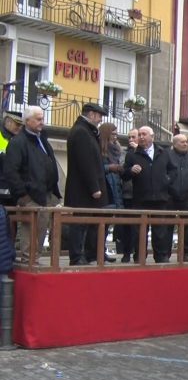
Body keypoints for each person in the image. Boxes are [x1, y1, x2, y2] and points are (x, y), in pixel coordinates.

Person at [4, 106, 62, 265]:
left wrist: (55, 193)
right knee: (31, 229)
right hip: (30, 195)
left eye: (42, 118)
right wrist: (22, 195)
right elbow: (11, 171)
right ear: (27, 120)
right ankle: (28, 260)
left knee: (43, 228)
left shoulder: (41, 139)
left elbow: (49, 163)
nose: (41, 122)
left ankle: (35, 259)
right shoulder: (18, 142)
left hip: (46, 193)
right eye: (38, 119)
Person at [65, 103, 109, 266]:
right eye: (99, 116)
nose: (100, 120)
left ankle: (90, 254)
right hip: (83, 190)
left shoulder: (87, 131)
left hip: (88, 189)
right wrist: (94, 187)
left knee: (90, 223)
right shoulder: (81, 132)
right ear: (91, 114)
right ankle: (76, 256)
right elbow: (86, 163)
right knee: (79, 223)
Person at [124, 126, 174, 263]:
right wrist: (130, 170)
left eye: (144, 134)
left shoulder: (163, 153)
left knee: (160, 231)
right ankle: (139, 257)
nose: (141, 137)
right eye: (139, 134)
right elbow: (123, 175)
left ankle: (161, 257)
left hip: (160, 198)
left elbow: (172, 171)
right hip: (141, 198)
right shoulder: (132, 154)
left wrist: (167, 181)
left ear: (152, 137)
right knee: (140, 231)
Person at [167, 134, 188, 262]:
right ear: (175, 144)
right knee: (167, 226)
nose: (185, 144)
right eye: (182, 142)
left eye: (186, 142)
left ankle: (186, 253)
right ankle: (165, 253)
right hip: (171, 197)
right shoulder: (167, 156)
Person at [100, 123, 124, 262]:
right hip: (106, 186)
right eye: (113, 133)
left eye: (116, 134)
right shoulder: (101, 149)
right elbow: (97, 168)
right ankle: (97, 251)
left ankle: (102, 251)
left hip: (116, 185)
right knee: (101, 222)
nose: (115, 136)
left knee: (108, 222)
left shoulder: (117, 149)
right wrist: (111, 167)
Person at [116, 128, 138, 263]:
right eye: (129, 137)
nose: (130, 140)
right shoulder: (124, 153)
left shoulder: (144, 153)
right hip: (126, 194)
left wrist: (137, 152)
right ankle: (126, 252)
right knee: (126, 226)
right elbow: (121, 168)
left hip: (140, 195)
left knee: (138, 227)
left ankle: (138, 253)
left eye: (133, 137)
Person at [0, 111, 23, 206]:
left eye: (21, 125)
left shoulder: (19, 140)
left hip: (13, 193)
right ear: (8, 122)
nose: (20, 128)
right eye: (17, 124)